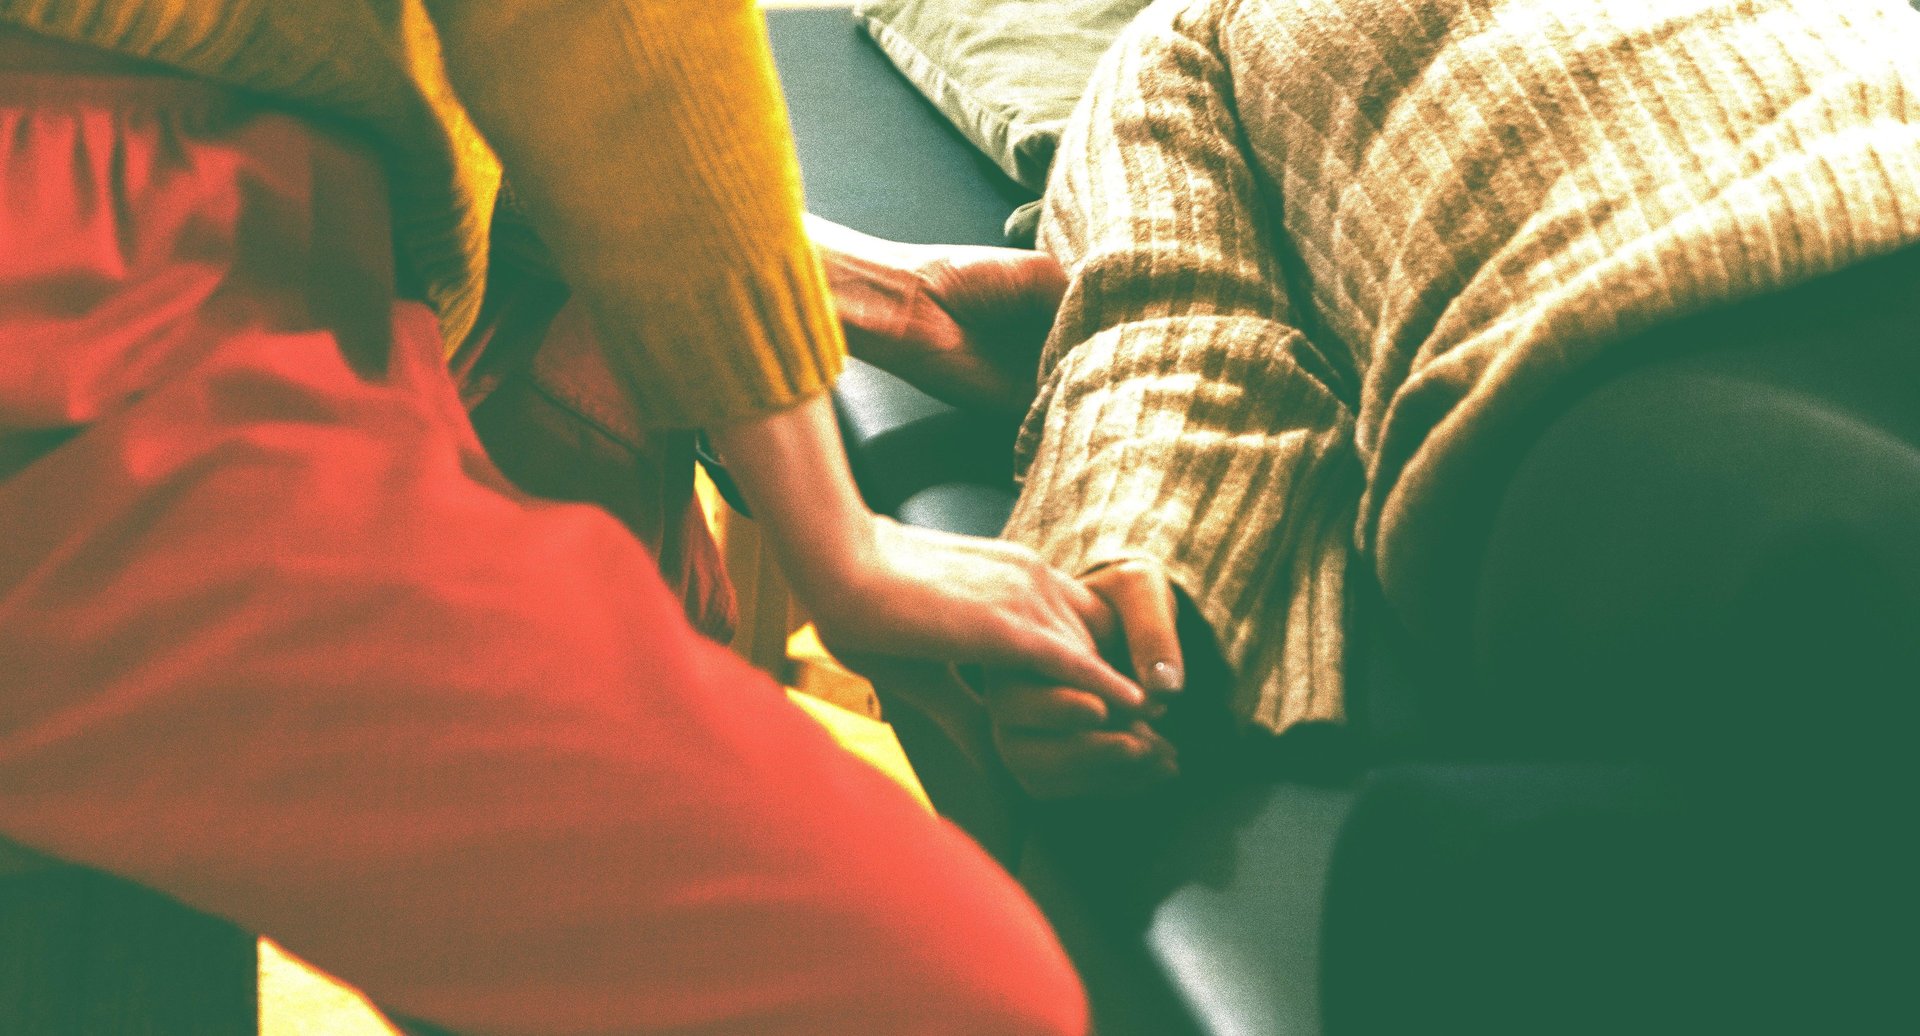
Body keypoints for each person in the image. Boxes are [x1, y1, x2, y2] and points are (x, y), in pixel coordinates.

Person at [0, 2, 1117, 1033]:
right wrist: (844, 551)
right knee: (949, 998)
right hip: (102, 298)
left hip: (258, 220)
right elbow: (593, 26)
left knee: (599, 427)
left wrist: (872, 294)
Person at [975, 0, 1920, 797]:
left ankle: (1465, 885)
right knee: (1857, 593)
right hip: (1608, 354)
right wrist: (1125, 542)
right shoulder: (1191, 39)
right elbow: (1165, 317)